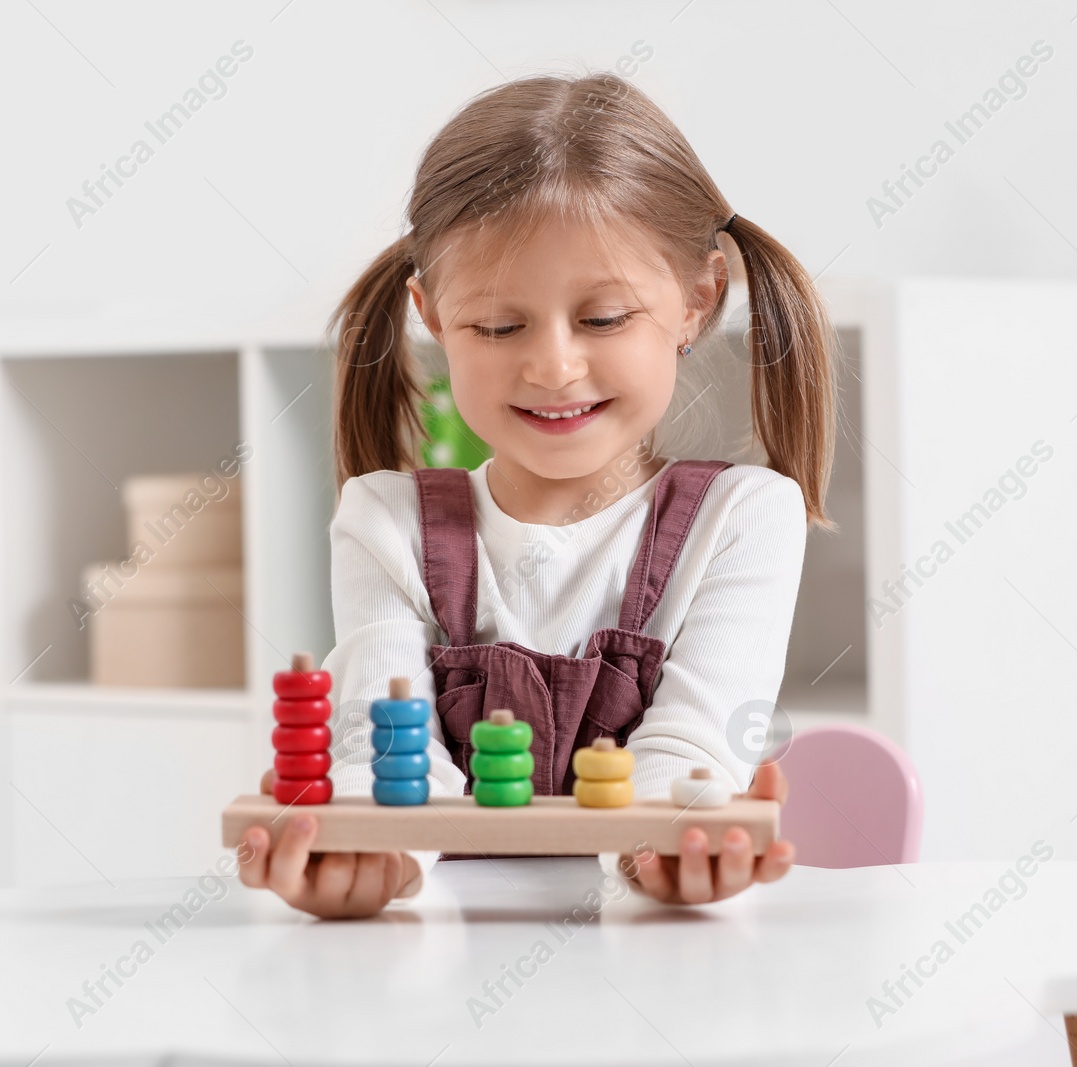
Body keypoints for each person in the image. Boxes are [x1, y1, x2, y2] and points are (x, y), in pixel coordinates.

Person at [237, 69, 837, 919]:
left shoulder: (744, 518)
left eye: (602, 319)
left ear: (698, 300)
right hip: (432, 961)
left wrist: (667, 849)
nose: (553, 366)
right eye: (497, 326)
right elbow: (382, 747)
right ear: (435, 318)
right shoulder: (385, 521)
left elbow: (693, 747)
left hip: (648, 965)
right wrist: (374, 855)